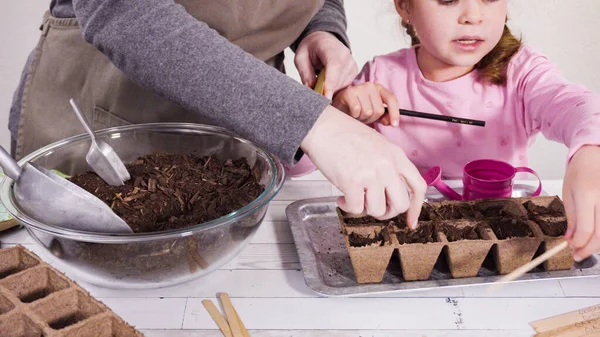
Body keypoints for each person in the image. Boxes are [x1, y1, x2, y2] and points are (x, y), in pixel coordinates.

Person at [8, 0, 426, 223]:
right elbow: (123, 11)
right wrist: (314, 122)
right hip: (108, 114)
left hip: (241, 142)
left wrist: (321, 29)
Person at [290, 0, 600, 261]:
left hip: (503, 244)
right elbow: (296, 165)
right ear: (404, 6)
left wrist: (590, 152)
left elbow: (579, 107)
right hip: (406, 246)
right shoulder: (379, 77)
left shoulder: (522, 73)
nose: (473, 16)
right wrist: (339, 114)